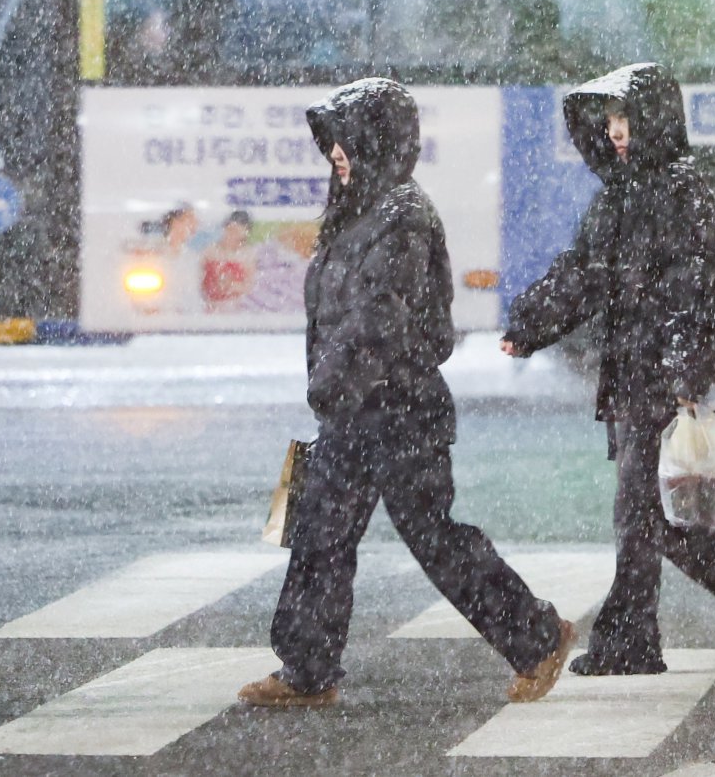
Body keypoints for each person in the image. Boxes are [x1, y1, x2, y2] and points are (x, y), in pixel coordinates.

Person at [239, 76, 576, 708]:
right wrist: (334, 388)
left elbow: (380, 317)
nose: (335, 152)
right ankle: (307, 672)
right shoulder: (357, 210)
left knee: (434, 538)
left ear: (376, 139)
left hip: (400, 409)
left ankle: (539, 636)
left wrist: (332, 382)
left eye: (345, 139)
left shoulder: (402, 217)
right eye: (331, 141)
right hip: (351, 408)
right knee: (318, 533)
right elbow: (339, 316)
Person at [500, 62, 715, 674]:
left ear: (653, 120)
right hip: (638, 371)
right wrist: (531, 324)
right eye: (610, 120)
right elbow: (586, 272)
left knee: (639, 513)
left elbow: (707, 288)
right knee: (652, 513)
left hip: (660, 376)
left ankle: (631, 639)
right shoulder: (625, 193)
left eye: (625, 119)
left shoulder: (676, 192)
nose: (615, 132)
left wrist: (687, 373)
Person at [201, 210, 258, 313]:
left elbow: (250, 285)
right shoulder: (210, 251)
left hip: (236, 307)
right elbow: (199, 280)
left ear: (245, 233)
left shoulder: (248, 254)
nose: (232, 235)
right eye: (230, 230)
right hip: (210, 305)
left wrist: (232, 285)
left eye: (237, 232)